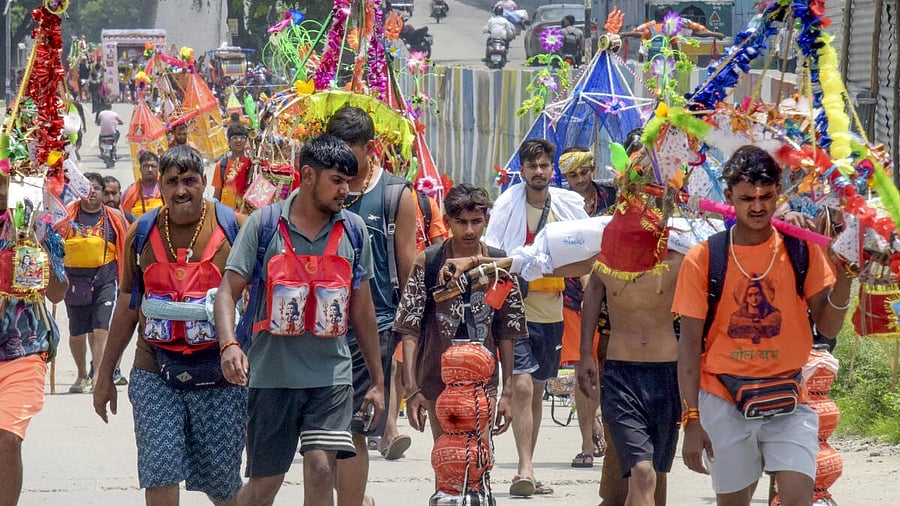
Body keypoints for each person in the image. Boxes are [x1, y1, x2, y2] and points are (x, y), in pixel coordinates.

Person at [672, 145, 852, 506]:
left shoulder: (800, 249)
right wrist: (691, 420)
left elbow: (828, 328)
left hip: (788, 396)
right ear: (729, 197)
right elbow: (689, 346)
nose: (757, 206)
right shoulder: (703, 258)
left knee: (800, 497)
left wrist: (845, 276)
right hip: (723, 399)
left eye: (766, 197)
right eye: (747, 198)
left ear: (778, 193)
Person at [214, 133, 385, 506]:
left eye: (348, 181)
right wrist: (228, 345)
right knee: (263, 488)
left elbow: (363, 311)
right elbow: (227, 291)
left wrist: (377, 379)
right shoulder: (264, 226)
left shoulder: (354, 232)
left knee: (323, 469)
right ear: (307, 175)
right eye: (336, 181)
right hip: (271, 377)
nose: (345, 190)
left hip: (331, 378)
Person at [93, 145, 248, 505]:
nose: (181, 190)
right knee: (159, 470)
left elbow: (259, 299)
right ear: (160, 186)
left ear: (204, 183)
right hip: (154, 372)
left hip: (221, 375)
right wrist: (104, 376)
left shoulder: (235, 228)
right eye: (172, 181)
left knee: (223, 485)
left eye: (190, 181)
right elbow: (128, 307)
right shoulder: (140, 233)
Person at [395, 183, 525, 489]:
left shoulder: (499, 264)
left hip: (484, 385)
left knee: (479, 460)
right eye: (461, 222)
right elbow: (410, 328)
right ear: (449, 222)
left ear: (486, 221)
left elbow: (508, 331)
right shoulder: (427, 262)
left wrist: (507, 393)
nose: (469, 230)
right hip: (437, 382)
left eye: (476, 221)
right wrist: (412, 389)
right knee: (448, 459)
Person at [484, 138, 590, 496]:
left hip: (552, 311)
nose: (539, 172)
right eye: (533, 167)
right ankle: (523, 468)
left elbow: (588, 249)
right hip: (516, 310)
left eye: (545, 166)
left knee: (539, 387)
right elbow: (494, 250)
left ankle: (527, 460)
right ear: (523, 171)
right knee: (523, 384)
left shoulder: (567, 206)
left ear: (551, 169)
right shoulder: (506, 206)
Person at [326, 106, 417, 505]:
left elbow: (409, 270)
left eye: (350, 149)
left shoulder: (397, 195)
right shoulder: (323, 191)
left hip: (375, 325)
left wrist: (413, 335)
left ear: (371, 148)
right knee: (324, 430)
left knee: (352, 429)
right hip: (322, 325)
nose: (342, 159)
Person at [576, 182, 684, 505]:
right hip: (621, 372)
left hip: (666, 373)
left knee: (653, 473)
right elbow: (592, 292)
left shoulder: (679, 245)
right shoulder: (610, 239)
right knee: (641, 470)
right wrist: (584, 355)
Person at [0, 174, 68, 506]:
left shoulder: (41, 232)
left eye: (6, 183)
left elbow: (58, 291)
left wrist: (36, 246)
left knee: (7, 438)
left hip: (24, 350)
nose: (1, 191)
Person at [557, 148, 617, 468]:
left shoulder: (613, 192)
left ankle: (609, 432)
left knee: (609, 368)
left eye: (584, 172)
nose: (579, 179)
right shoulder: (559, 204)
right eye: (572, 175)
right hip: (573, 297)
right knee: (585, 367)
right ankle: (585, 444)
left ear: (592, 168)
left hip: (616, 293)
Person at [57, 173, 130, 393]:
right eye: (85, 188)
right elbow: (54, 245)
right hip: (74, 280)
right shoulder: (66, 216)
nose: (91, 193)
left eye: (96, 188)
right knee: (77, 332)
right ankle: (81, 374)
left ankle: (98, 374)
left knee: (101, 327)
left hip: (105, 278)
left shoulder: (114, 217)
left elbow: (126, 246)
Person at [622, 9, 724, 62]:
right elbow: (698, 34)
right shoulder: (668, 30)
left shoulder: (679, 25)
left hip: (655, 62)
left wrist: (641, 64)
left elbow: (641, 47)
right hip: (668, 62)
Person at [212, 126, 252, 212]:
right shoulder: (221, 165)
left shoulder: (252, 165)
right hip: (227, 214)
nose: (238, 140)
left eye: (242, 137)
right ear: (229, 142)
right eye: (234, 137)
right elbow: (217, 194)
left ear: (246, 141)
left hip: (246, 215)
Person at [121, 151, 163, 218]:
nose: (150, 169)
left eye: (153, 166)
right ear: (140, 169)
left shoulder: (165, 188)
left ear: (158, 168)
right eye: (146, 166)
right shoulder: (130, 192)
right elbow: (124, 216)